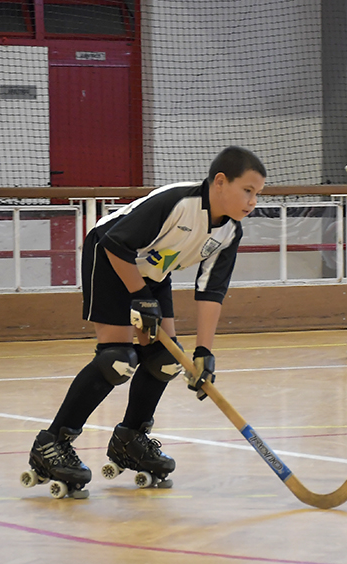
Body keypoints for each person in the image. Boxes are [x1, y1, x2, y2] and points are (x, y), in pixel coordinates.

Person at [22, 146, 267, 498]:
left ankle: (130, 439)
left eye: (258, 194)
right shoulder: (178, 202)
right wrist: (140, 295)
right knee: (118, 360)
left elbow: (210, 292)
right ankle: (52, 443)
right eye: (248, 190)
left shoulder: (229, 232)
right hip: (110, 258)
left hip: (152, 272)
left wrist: (203, 354)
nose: (252, 201)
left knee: (167, 360)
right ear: (220, 182)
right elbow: (115, 242)